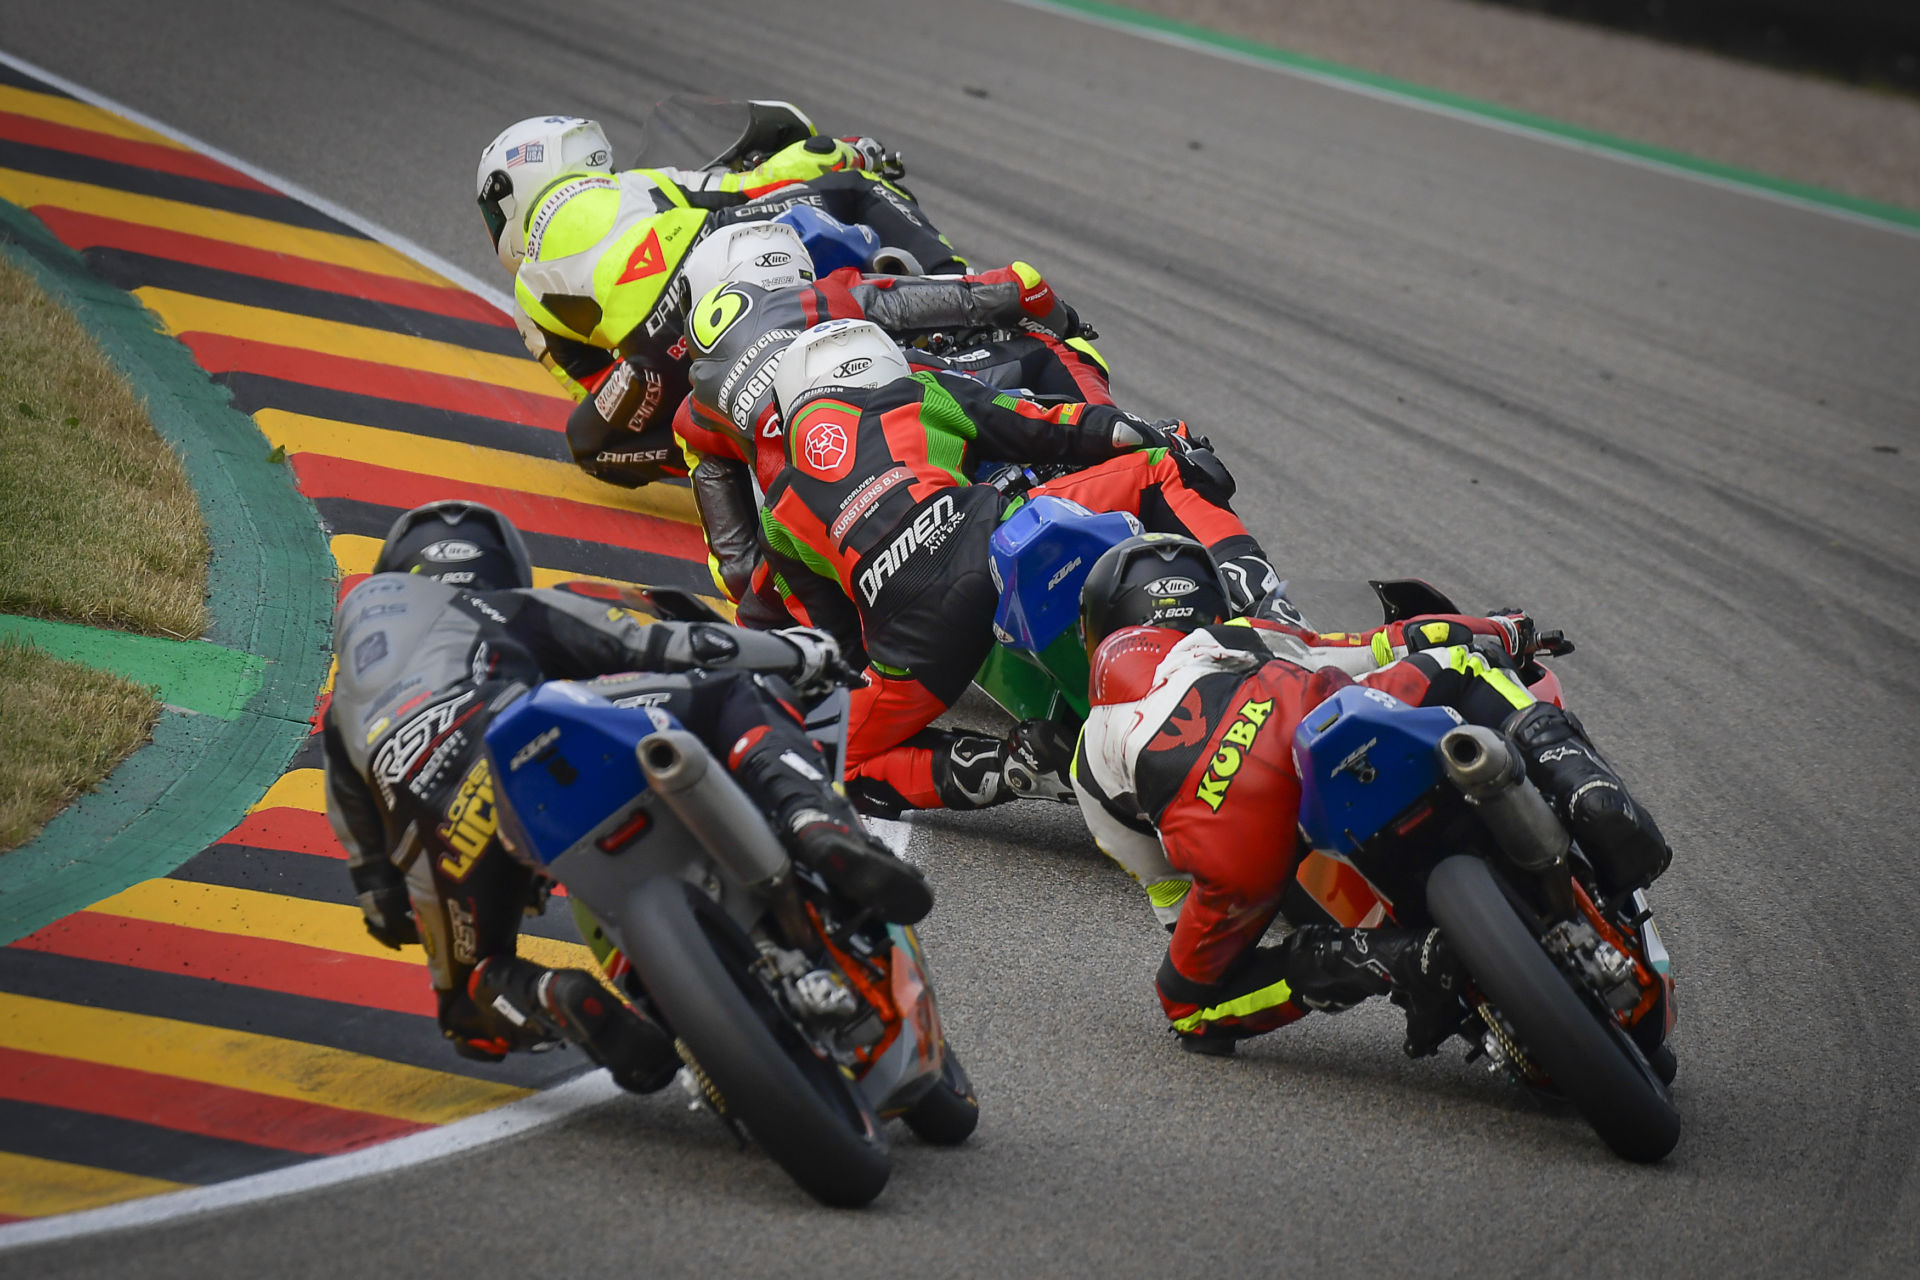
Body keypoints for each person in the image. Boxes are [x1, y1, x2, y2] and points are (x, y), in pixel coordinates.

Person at [322, 499, 930, 1083]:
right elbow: (653, 646)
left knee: (468, 1003)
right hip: (517, 734)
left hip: (438, 826)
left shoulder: (347, 700)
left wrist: (388, 900)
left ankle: (559, 996)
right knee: (727, 692)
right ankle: (812, 822)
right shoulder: (508, 607)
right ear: (496, 567)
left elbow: (371, 870)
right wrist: (795, 652)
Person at [1069, 533, 1674, 1057]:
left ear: (1099, 626)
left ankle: (1396, 958)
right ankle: (1585, 788)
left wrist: (1223, 915)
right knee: (1458, 664)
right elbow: (1385, 644)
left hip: (1231, 839)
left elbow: (1167, 886)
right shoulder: (1238, 632)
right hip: (1297, 727)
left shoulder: (1089, 753)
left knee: (1190, 1007)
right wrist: (1506, 632)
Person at [755, 319, 1282, 816]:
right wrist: (1151, 434)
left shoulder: (777, 515)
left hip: (912, 645)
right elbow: (1049, 428)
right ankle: (1263, 601)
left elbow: (833, 643)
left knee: (828, 755)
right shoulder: (916, 392)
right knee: (1161, 471)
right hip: (989, 546)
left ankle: (1011, 767)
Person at [474, 116, 964, 490]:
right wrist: (845, 154)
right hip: (715, 256)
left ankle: (726, 450)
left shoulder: (526, 304)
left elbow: (591, 391)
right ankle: (954, 290)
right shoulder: (630, 185)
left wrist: (653, 378)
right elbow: (748, 184)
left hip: (665, 356)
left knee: (587, 445)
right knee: (853, 189)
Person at [676, 219, 1110, 624]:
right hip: (901, 442)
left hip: (817, 537)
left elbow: (733, 566)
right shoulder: (821, 296)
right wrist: (1058, 315)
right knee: (1047, 349)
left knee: (763, 604)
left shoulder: (694, 412)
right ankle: (1121, 441)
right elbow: (993, 292)